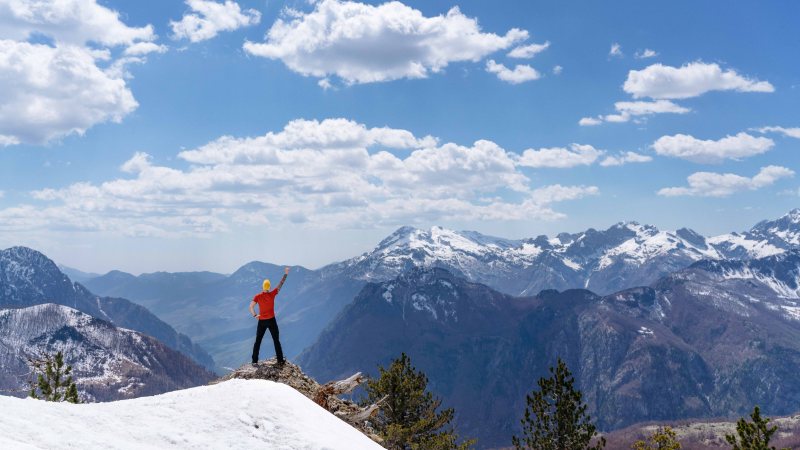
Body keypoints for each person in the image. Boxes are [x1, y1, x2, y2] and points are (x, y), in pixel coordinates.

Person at [250, 266, 290, 366]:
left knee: (258, 341)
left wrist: (255, 315)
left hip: (262, 321)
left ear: (263, 287)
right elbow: (281, 284)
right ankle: (280, 360)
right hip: (272, 320)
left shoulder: (257, 296)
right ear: (269, 287)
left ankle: (254, 361)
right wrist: (286, 273)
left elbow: (250, 307)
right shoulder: (272, 294)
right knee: (276, 340)